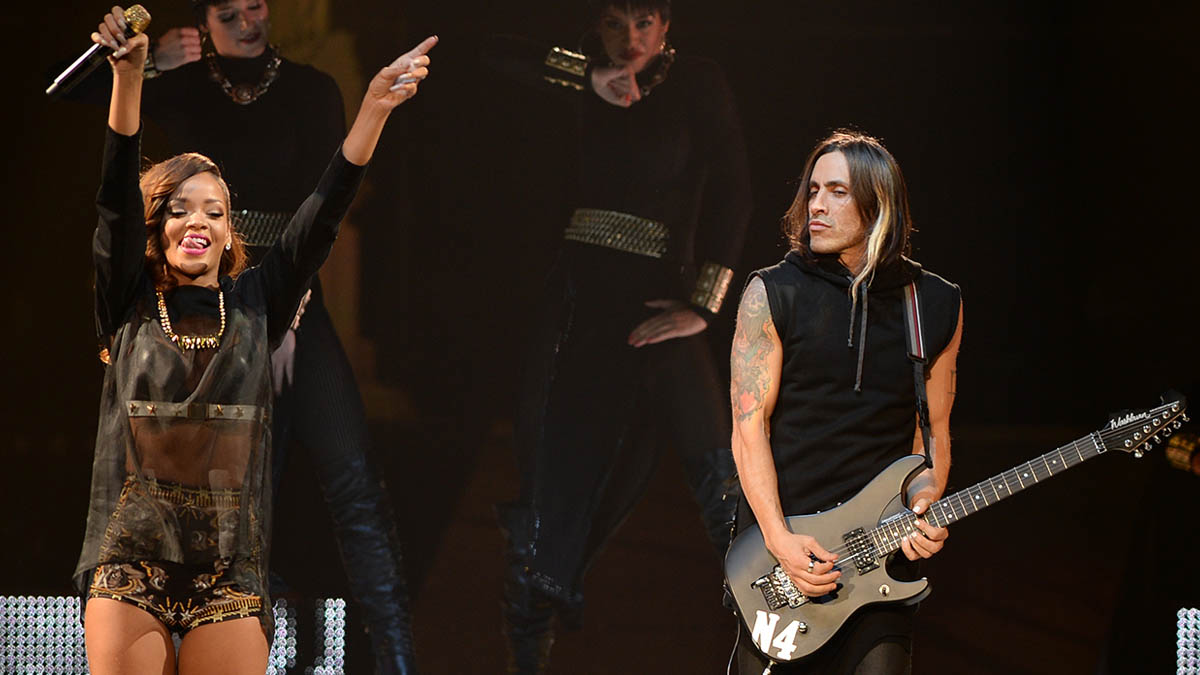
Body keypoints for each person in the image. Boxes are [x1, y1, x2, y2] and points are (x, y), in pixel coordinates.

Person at [55, 2, 421, 669]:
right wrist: (133, 75)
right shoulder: (130, 303)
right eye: (179, 209)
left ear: (230, 232)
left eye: (215, 211)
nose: (198, 221)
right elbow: (114, 195)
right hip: (134, 562)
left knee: (346, 478)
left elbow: (323, 212)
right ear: (156, 226)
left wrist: (374, 108)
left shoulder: (257, 301)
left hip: (227, 576)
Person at [487, 1, 753, 671]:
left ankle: (776, 614)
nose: (630, 40)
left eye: (643, 23)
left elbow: (734, 188)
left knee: (714, 463)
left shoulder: (698, 81)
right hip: (578, 297)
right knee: (548, 468)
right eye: (614, 24)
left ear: (666, 24)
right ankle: (529, 641)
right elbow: (486, 52)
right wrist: (585, 75)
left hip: (658, 295)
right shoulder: (585, 75)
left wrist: (704, 305)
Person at [729, 130, 963, 674]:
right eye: (813, 190)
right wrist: (780, 540)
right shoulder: (774, 292)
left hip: (880, 555)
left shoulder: (934, 302)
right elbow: (748, 429)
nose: (816, 204)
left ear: (879, 205)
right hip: (782, 555)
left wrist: (924, 504)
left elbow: (933, 431)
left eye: (837, 192)